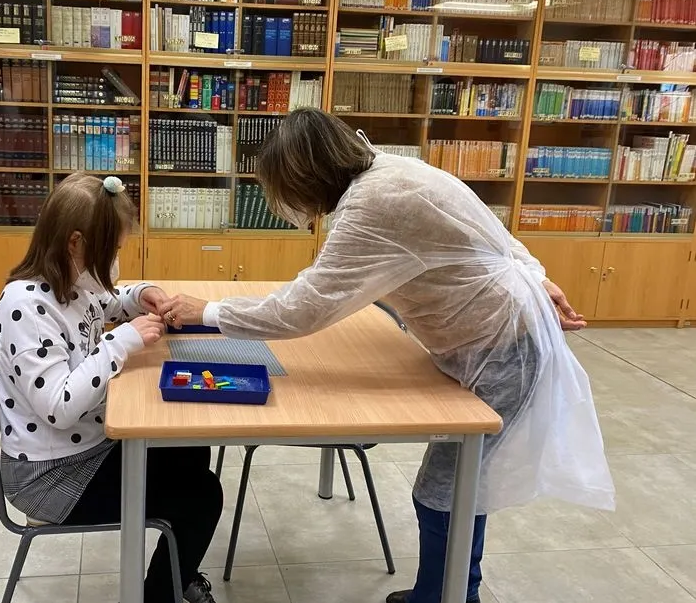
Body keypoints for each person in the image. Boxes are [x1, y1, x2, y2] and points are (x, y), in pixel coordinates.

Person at [157, 108, 615, 603]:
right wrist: (537, 276)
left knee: (451, 488)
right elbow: (497, 236)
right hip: (493, 333)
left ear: (306, 176)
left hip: (500, 346)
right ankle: (449, 591)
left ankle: (449, 596)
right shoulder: (394, 170)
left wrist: (210, 311)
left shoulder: (374, 203)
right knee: (464, 479)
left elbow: (304, 310)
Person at [0, 172, 222, 603]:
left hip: (87, 449)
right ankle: (161, 592)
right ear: (76, 243)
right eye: (112, 249)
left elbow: (114, 298)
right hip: (50, 477)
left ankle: (174, 570)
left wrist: (145, 294)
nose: (116, 260)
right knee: (203, 496)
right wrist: (120, 342)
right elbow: (59, 406)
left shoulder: (74, 283)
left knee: (190, 447)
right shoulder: (24, 304)